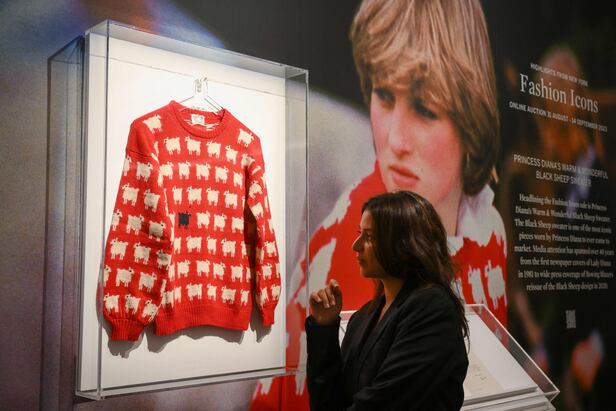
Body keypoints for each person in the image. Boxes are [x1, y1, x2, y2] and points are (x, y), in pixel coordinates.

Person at [251, 0, 504, 408]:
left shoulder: (487, 229)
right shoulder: (338, 255)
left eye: (425, 109)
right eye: (384, 95)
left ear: (470, 119)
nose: (395, 141)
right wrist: (324, 330)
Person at [306, 191, 469, 410]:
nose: (356, 246)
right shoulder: (364, 316)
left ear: (405, 243)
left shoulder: (432, 308)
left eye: (370, 237)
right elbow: (329, 402)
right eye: (360, 233)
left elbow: (385, 403)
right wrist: (324, 327)